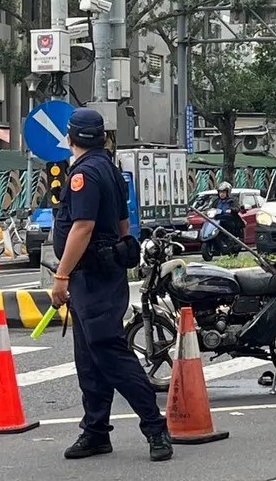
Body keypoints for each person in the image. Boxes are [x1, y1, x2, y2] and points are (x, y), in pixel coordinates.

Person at [50, 108, 173, 462]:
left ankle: (155, 428)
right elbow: (122, 223)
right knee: (89, 359)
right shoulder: (109, 168)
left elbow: (82, 227)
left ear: (71, 137)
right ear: (102, 137)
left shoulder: (84, 174)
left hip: (92, 276)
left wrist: (61, 276)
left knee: (111, 354)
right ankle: (95, 431)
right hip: (102, 273)